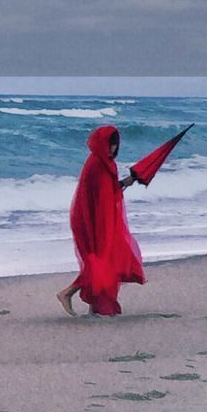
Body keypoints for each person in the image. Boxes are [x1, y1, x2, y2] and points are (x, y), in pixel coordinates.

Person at [56, 124, 145, 316]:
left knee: (102, 260)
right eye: (110, 144)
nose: (113, 148)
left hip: (99, 218)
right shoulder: (96, 163)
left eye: (115, 144)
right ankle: (67, 293)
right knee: (98, 261)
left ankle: (93, 307)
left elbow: (107, 192)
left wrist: (123, 183)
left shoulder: (108, 164)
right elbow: (98, 197)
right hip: (88, 219)